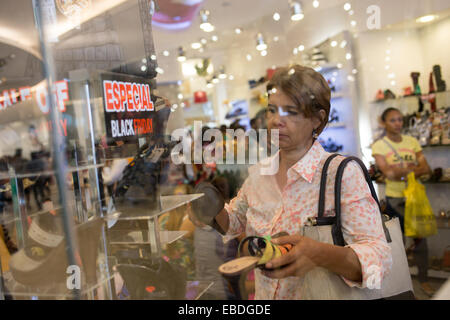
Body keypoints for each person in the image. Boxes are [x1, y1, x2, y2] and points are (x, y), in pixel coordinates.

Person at [189, 65, 392, 299]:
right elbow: (235, 221)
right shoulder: (259, 174)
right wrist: (210, 210)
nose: (276, 121)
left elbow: (379, 258)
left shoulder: (341, 174)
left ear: (318, 119)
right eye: (272, 110)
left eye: (291, 112)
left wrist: (320, 254)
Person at [371, 107, 434, 297]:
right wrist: (413, 168)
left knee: (421, 240)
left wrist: (401, 171)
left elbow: (427, 169)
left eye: (400, 119)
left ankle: (423, 279)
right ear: (384, 123)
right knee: (398, 244)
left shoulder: (412, 141)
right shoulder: (379, 146)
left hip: (415, 198)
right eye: (393, 120)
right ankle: (401, 284)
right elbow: (387, 173)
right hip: (395, 199)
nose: (398, 123)